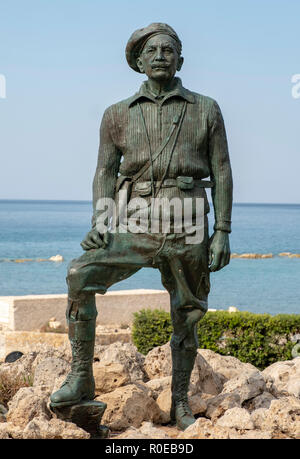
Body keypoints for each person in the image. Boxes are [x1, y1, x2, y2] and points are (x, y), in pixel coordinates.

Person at [50, 23, 233, 431]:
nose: (160, 55)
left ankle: (181, 402)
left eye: (169, 49)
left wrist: (223, 230)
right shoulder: (116, 114)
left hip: (189, 220)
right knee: (81, 274)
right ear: (138, 61)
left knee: (187, 314)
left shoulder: (206, 108)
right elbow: (104, 171)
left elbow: (222, 171)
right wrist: (100, 221)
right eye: (151, 50)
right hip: (135, 220)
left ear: (181, 59)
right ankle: (81, 378)